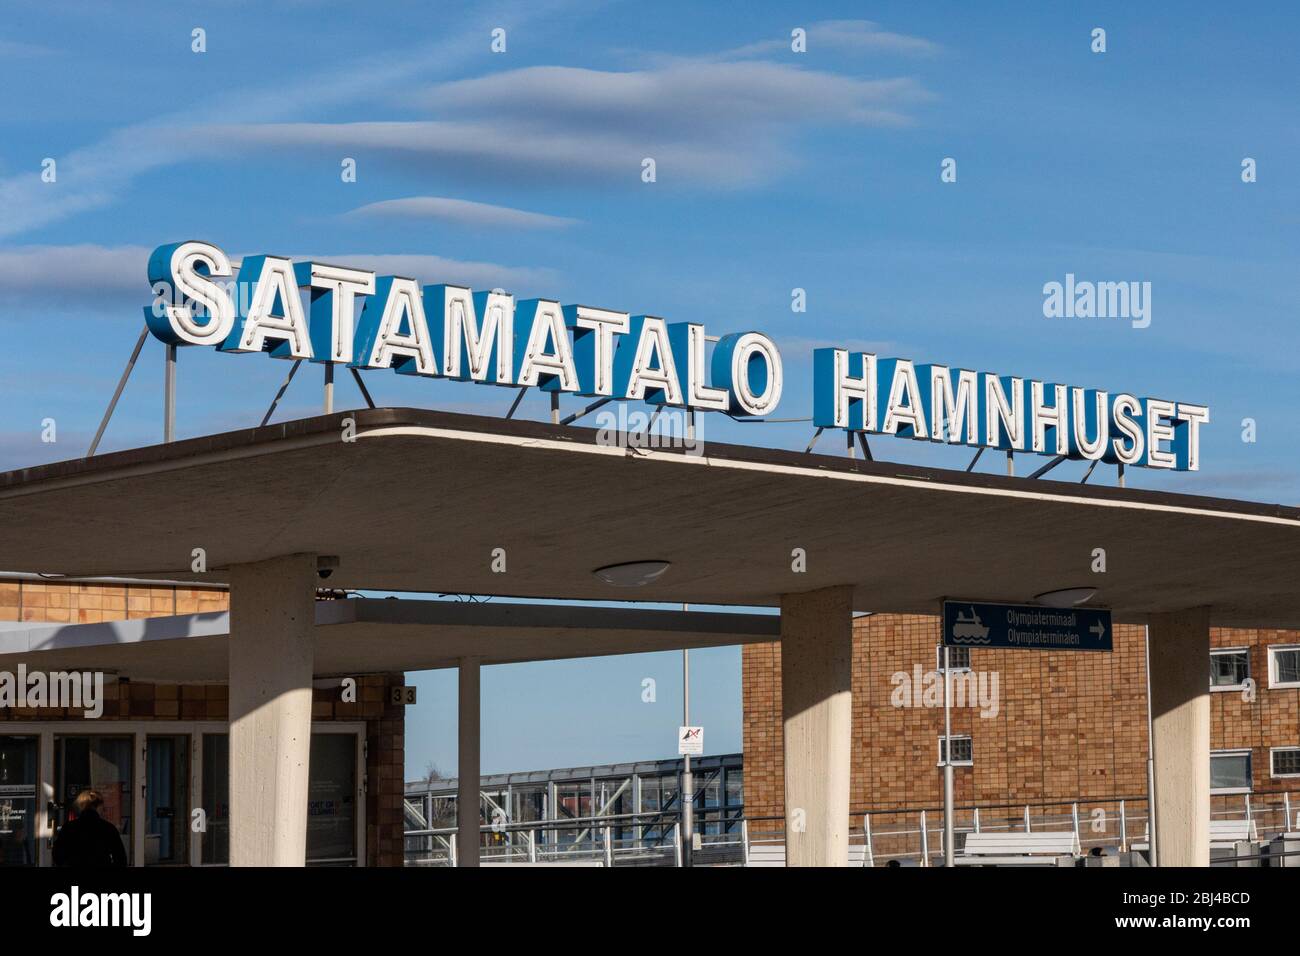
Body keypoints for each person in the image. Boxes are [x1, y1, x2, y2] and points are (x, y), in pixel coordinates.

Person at [52, 790, 127, 867]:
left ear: (81, 806)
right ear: (98, 806)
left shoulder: (69, 827)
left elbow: (58, 855)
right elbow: (120, 858)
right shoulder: (108, 828)